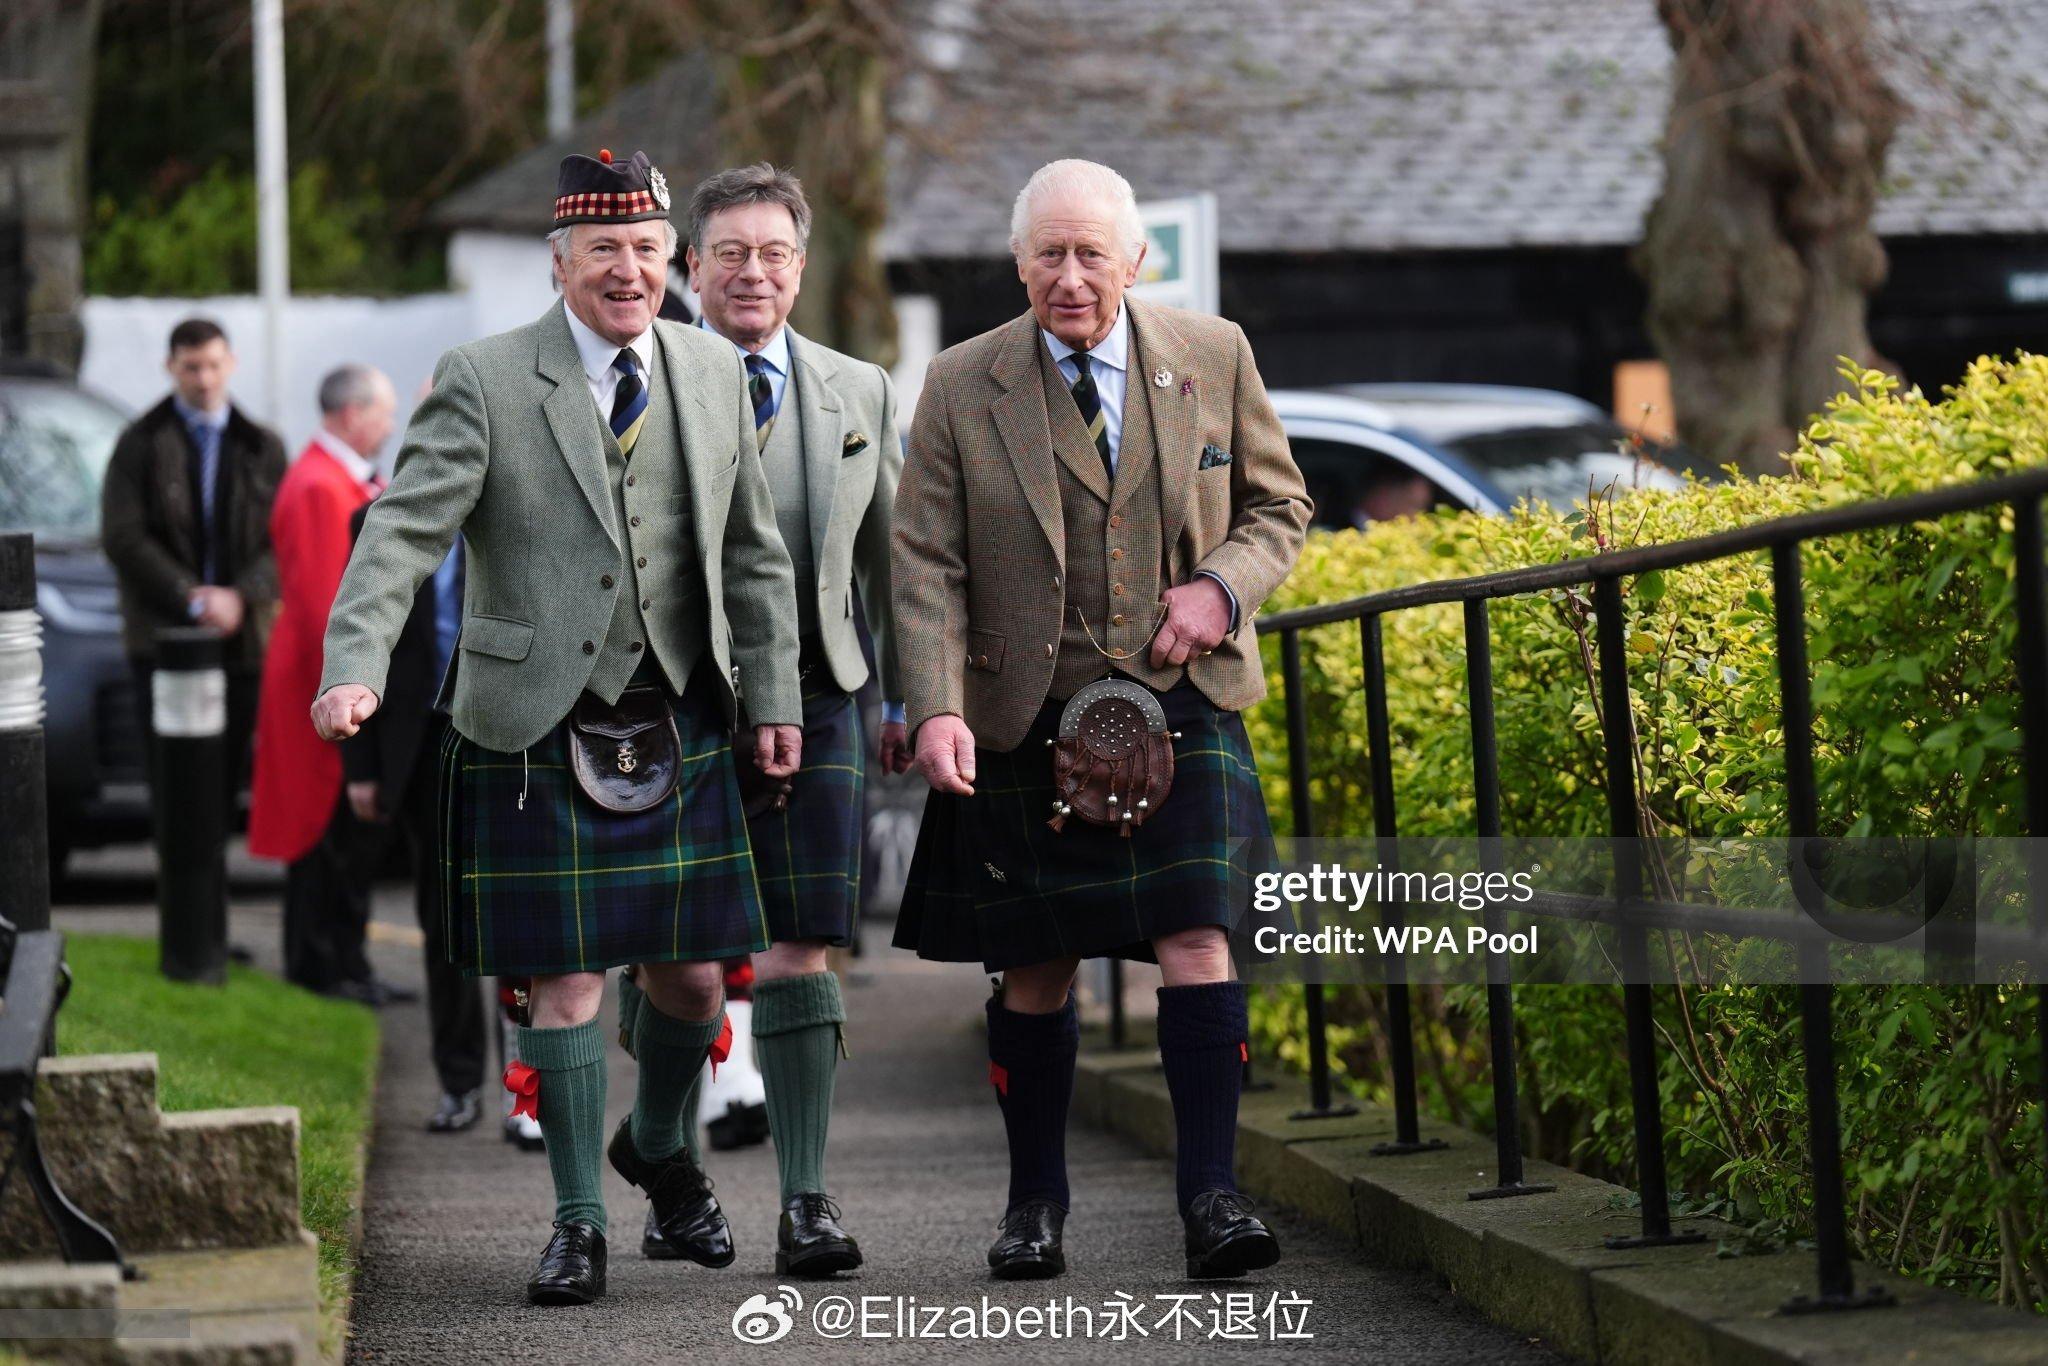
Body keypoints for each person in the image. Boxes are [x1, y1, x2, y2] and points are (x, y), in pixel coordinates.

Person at [312, 147, 805, 1308]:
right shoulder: (483, 377)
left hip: (675, 715)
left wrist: (774, 696)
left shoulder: (706, 369)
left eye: (644, 250)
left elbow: (751, 554)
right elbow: (398, 536)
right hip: (533, 723)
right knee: (567, 983)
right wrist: (354, 663)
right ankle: (579, 1220)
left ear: (667, 258)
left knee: (689, 984)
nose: (626, 272)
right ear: (559, 262)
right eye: (603, 252)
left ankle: (658, 1144)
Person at [891, 159, 1311, 1281]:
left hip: (1183, 703)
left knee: (1196, 938)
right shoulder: (957, 381)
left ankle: (1212, 1199)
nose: (1069, 278)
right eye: (1047, 255)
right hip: (1026, 716)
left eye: (1090, 254)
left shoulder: (1210, 354)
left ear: (1135, 259)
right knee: (1033, 965)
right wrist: (935, 704)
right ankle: (1033, 1206)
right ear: (1016, 259)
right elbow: (925, 563)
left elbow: (1278, 504)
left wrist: (1221, 587)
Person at [620, 163, 908, 1279]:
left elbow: (890, 562)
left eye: (772, 253)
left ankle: (805, 1201)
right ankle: (656, 1145)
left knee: (801, 947)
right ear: (692, 267)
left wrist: (907, 694)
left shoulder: (857, 389)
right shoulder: (642, 383)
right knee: (683, 968)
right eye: (727, 252)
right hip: (681, 700)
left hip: (826, 692)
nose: (750, 272)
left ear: (800, 267)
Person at [249, 364, 414, 1004]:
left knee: (342, 834)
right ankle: (323, 964)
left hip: (316, 679)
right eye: (383, 411)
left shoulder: (332, 479)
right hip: (318, 687)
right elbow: (330, 605)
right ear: (352, 413)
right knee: (324, 832)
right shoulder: (321, 486)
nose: (390, 424)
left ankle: (343, 961)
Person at [99, 317, 285, 812]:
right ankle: (179, 884)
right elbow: (122, 536)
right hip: (164, 636)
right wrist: (190, 595)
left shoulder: (261, 445)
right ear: (170, 367)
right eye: (191, 367)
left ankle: (213, 885)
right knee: (173, 775)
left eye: (213, 365)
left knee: (225, 779)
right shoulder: (140, 441)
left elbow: (283, 539)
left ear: (232, 364)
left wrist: (240, 596)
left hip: (241, 639)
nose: (204, 379)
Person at [341, 498, 486, 1126]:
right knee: (443, 913)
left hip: (510, 733)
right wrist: (363, 768)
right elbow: (355, 629)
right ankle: (460, 1082)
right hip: (422, 739)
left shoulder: (526, 495)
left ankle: (531, 1093)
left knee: (524, 911)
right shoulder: (384, 517)